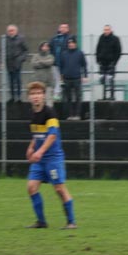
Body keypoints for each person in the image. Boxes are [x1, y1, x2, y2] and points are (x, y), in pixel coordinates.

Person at [25, 81, 77, 229]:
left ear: (44, 96)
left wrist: (39, 152)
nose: (36, 96)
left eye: (39, 93)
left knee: (59, 189)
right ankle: (41, 222)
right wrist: (31, 148)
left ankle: (71, 222)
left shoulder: (50, 114)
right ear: (29, 97)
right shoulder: (32, 114)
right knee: (31, 187)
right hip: (39, 160)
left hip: (52, 158)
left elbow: (52, 135)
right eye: (33, 94)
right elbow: (37, 135)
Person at [59, 38, 88, 120]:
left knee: (78, 97)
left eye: (72, 43)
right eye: (69, 43)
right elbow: (61, 66)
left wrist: (85, 76)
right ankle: (70, 115)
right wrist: (61, 76)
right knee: (68, 98)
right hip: (66, 79)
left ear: (75, 43)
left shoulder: (80, 53)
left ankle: (77, 115)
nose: (71, 44)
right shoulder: (64, 54)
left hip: (77, 78)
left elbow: (84, 65)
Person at [94, 24, 122, 100]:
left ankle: (112, 96)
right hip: (102, 63)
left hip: (111, 63)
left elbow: (118, 51)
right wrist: (98, 60)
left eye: (107, 29)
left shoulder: (115, 39)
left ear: (110, 30)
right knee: (102, 80)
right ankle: (102, 96)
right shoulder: (101, 38)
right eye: (105, 30)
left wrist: (114, 62)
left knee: (111, 79)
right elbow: (97, 49)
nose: (106, 31)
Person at [50, 23, 74, 102]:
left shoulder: (70, 38)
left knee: (64, 80)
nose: (63, 29)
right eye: (61, 27)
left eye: (65, 27)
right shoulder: (54, 38)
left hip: (65, 63)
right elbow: (50, 48)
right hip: (55, 63)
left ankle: (65, 96)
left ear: (68, 29)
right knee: (57, 80)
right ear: (59, 28)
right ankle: (57, 95)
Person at [4, 24, 29, 103]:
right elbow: (2, 50)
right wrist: (1, 61)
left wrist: (21, 59)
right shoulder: (5, 39)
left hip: (17, 63)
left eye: (12, 30)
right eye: (9, 31)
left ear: (16, 31)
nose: (10, 32)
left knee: (18, 80)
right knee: (10, 81)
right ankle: (12, 96)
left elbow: (26, 50)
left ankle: (19, 96)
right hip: (9, 63)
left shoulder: (21, 38)